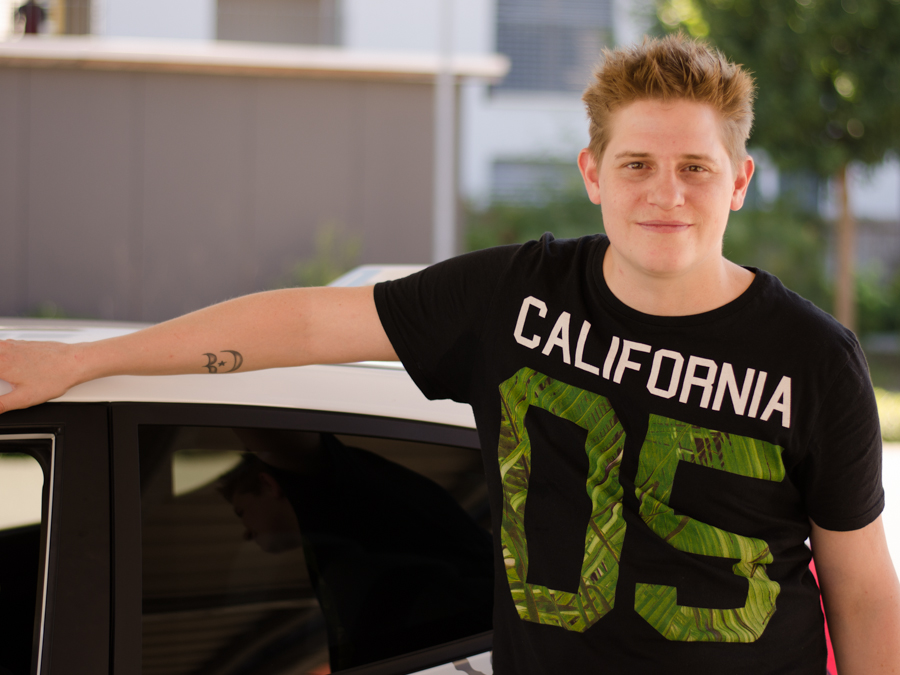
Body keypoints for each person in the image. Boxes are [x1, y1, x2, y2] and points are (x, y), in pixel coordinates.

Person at [0, 34, 897, 673]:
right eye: (637, 164)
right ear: (593, 173)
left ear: (739, 180)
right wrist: (83, 361)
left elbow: (859, 589)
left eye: (696, 167)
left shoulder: (814, 359)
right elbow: (307, 324)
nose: (667, 193)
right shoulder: (515, 295)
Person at [216, 429, 494, 671]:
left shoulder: (340, 494)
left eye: (241, 512)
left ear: (268, 485)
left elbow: (278, 436)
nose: (246, 533)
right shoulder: (337, 545)